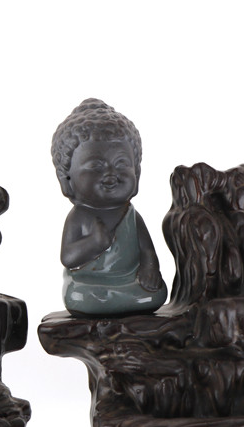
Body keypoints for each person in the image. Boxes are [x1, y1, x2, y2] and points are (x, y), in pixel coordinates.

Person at [51, 99, 166, 315]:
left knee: (157, 292)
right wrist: (93, 243)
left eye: (121, 164)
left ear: (137, 173)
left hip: (130, 280)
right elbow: (68, 257)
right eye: (96, 166)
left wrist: (150, 269)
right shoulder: (79, 217)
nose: (111, 174)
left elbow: (147, 251)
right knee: (80, 295)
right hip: (88, 282)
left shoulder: (131, 215)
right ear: (66, 179)